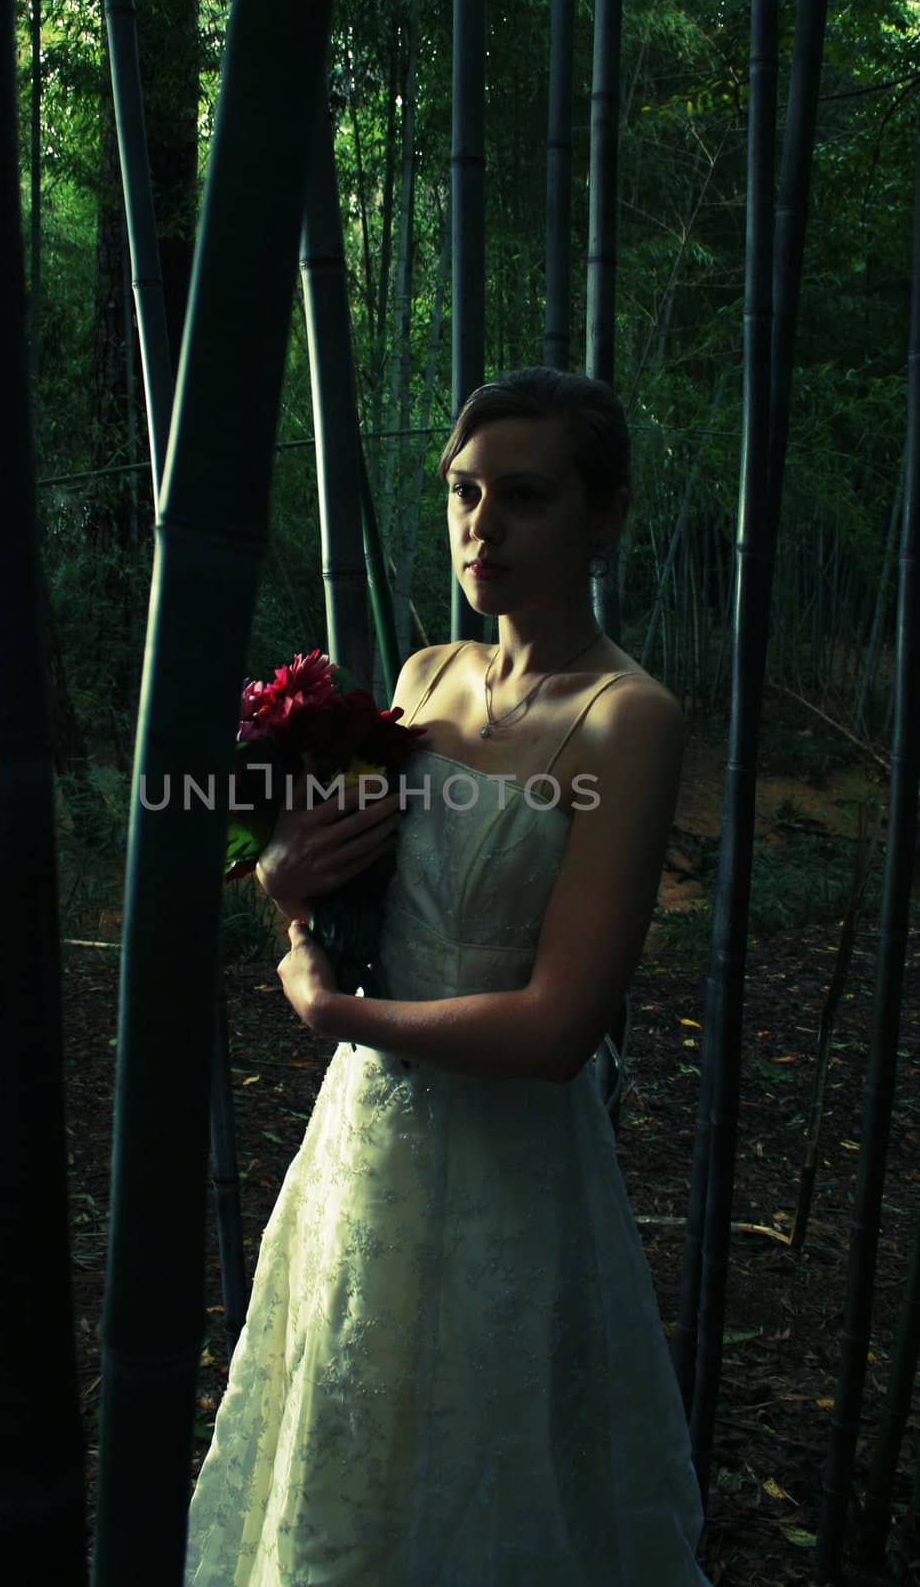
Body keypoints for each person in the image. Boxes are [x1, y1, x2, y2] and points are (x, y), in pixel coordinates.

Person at [185, 367, 711, 1585]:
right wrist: (283, 887)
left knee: (489, 1470)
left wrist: (330, 1008)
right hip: (362, 1145)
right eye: (463, 493)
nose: (481, 525)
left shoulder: (627, 720)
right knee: (346, 1457)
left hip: (509, 1171)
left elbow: (555, 1026)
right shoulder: (425, 678)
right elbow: (339, 902)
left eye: (522, 496)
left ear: (603, 513)